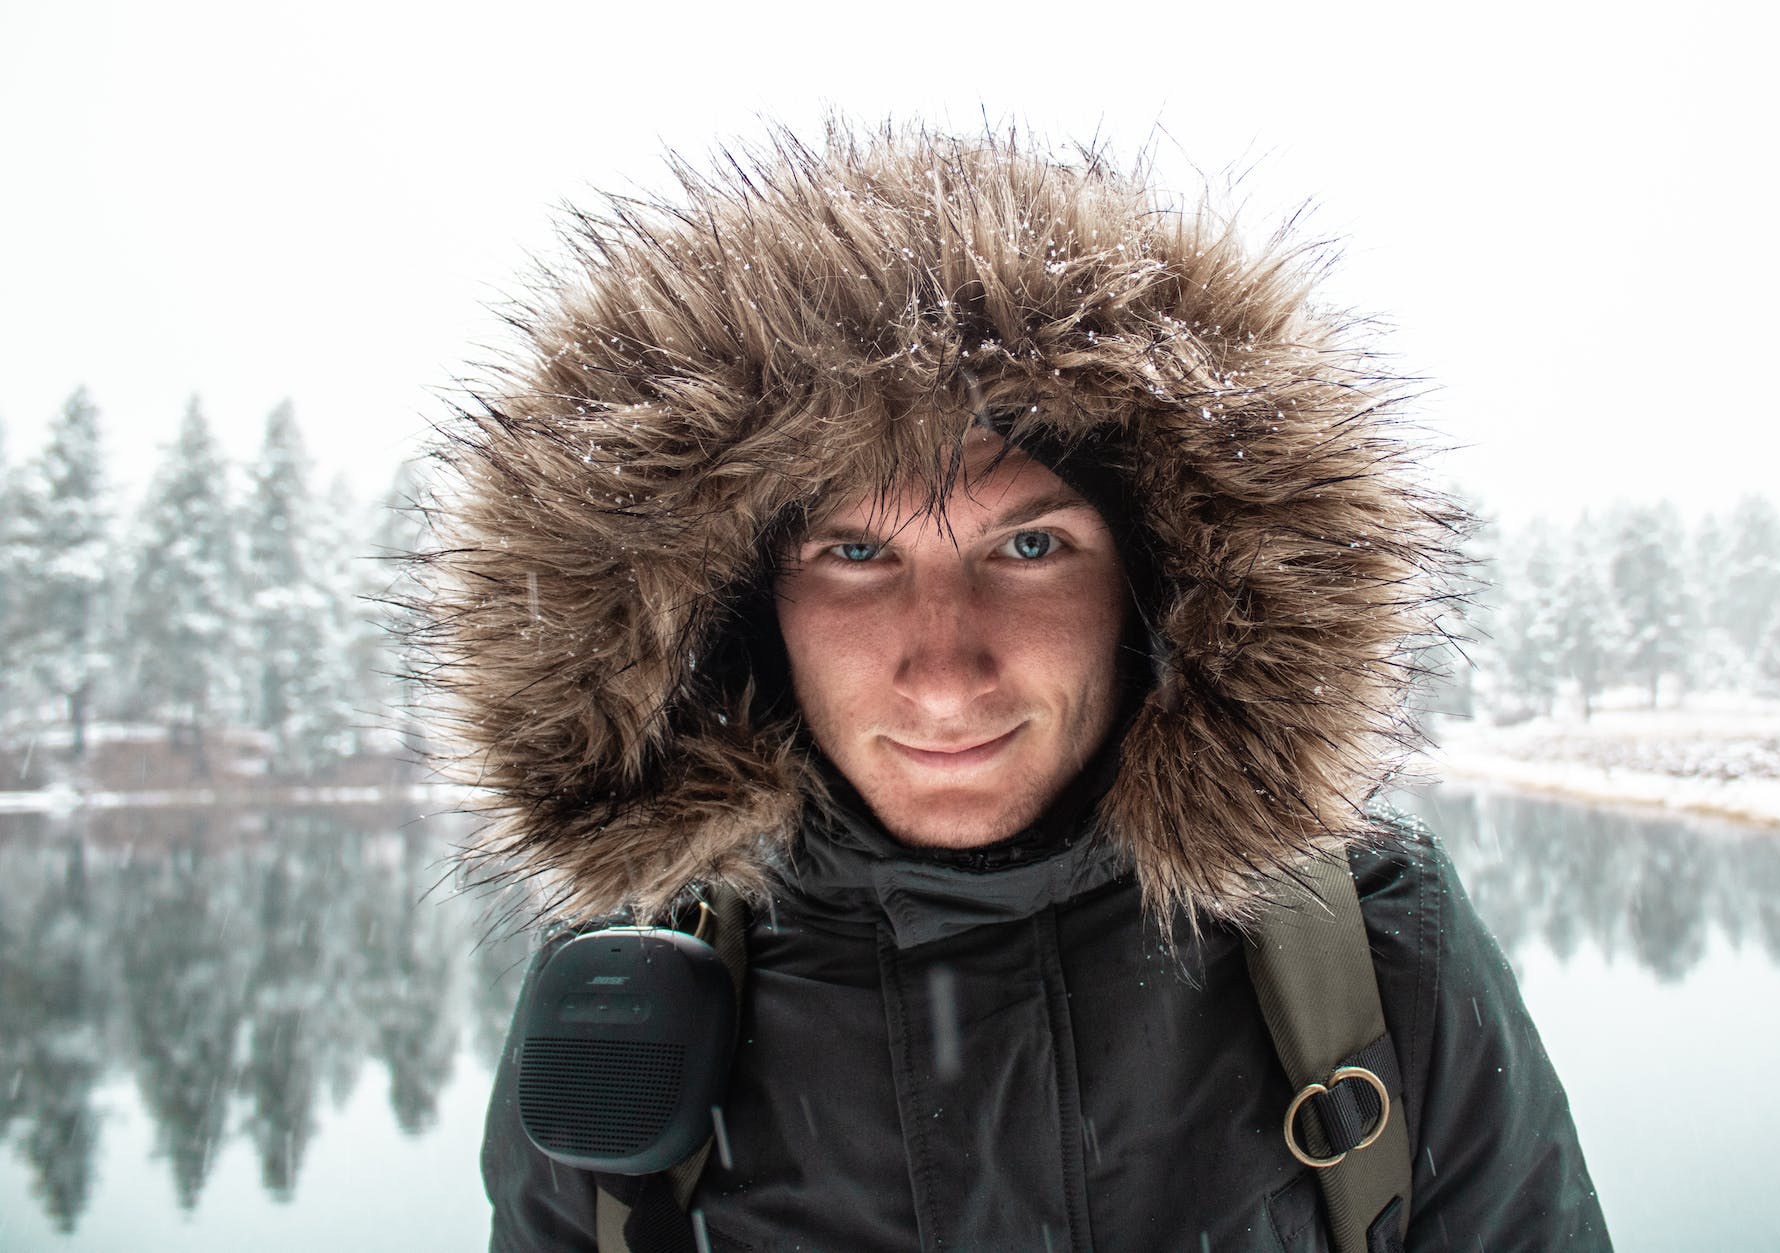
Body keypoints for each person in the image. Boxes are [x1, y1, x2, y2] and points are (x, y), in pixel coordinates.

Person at [429, 121, 1610, 1252]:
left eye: (1029, 546)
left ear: (1155, 582)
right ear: (745, 609)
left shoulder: (1372, 956)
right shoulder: (627, 1004)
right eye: (855, 553)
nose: (944, 676)